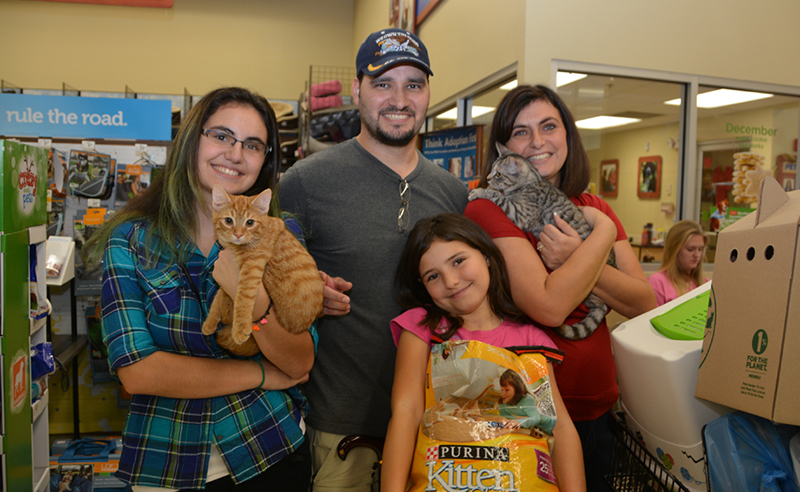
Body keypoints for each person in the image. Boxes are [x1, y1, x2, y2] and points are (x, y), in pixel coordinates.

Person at [82, 87, 316, 491]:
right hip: (169, 461)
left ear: (265, 161)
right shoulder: (132, 241)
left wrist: (255, 301)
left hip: (271, 447)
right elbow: (137, 372)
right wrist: (261, 373)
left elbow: (299, 363)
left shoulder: (281, 232)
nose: (235, 154)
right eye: (221, 136)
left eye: (253, 145)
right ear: (192, 139)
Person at [278, 28, 469, 491]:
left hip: (438, 422)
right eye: (383, 83)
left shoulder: (452, 192)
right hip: (340, 424)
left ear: (428, 95)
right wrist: (304, 294)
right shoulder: (305, 181)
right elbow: (267, 275)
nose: (399, 99)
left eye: (413, 85)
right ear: (357, 89)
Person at [464, 84, 657, 492]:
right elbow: (548, 306)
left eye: (549, 126)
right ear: (504, 146)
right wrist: (600, 237)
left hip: (600, 404)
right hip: (527, 410)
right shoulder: (489, 206)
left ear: (567, 134)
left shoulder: (594, 205)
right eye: (520, 132)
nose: (537, 141)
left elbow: (644, 302)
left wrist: (577, 254)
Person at [382, 212, 585, 492]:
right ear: (423, 287)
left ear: (487, 255)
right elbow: (406, 411)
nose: (451, 281)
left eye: (458, 261)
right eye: (433, 276)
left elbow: (559, 427)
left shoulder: (532, 338)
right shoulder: (421, 328)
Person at [648, 220, 710, 305]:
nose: (697, 255)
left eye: (700, 249)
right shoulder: (657, 282)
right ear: (674, 250)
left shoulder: (706, 283)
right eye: (690, 249)